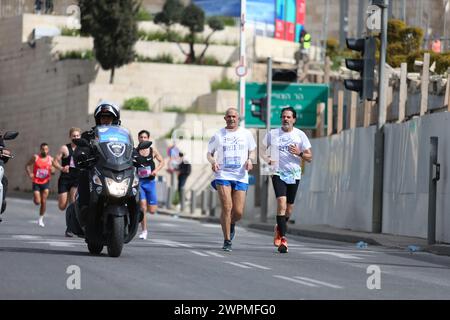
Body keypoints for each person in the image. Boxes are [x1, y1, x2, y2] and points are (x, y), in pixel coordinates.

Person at [261, 107, 312, 253]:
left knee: (289, 208)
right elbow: (262, 149)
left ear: (294, 119)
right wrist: (268, 159)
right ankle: (283, 238)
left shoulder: (300, 135)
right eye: (284, 116)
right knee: (281, 203)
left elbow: (310, 157)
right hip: (278, 173)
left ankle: (279, 226)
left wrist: (300, 153)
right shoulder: (273, 134)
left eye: (289, 117)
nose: (286, 119)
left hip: (294, 174)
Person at [207, 108, 256, 252]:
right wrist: (213, 162)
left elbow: (252, 150)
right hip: (223, 175)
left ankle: (231, 223)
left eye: (234, 116)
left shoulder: (246, 134)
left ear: (238, 118)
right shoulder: (218, 135)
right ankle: (227, 240)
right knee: (227, 207)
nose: (231, 119)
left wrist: (250, 160)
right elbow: (209, 153)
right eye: (229, 116)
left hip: (241, 176)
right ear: (225, 118)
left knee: (238, 212)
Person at [75, 101, 121, 211]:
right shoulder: (89, 134)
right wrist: (82, 156)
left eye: (109, 117)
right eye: (103, 117)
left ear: (114, 119)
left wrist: (136, 156)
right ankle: (84, 207)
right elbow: (80, 149)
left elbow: (129, 148)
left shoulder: (120, 135)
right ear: (98, 119)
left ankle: (135, 207)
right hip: (96, 169)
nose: (106, 120)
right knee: (83, 173)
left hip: (117, 169)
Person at [134, 130, 164, 240]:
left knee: (152, 210)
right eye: (141, 137)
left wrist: (156, 170)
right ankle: (144, 230)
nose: (143, 139)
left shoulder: (152, 150)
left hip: (150, 182)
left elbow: (162, 161)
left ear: (148, 138)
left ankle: (139, 212)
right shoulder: (134, 151)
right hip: (139, 182)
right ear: (138, 138)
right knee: (143, 207)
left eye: (145, 137)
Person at [53, 127, 81, 237]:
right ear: (70, 137)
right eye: (74, 136)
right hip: (65, 178)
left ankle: (69, 228)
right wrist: (61, 168)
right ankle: (70, 225)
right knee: (62, 206)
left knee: (73, 203)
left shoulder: (82, 149)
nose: (76, 138)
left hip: (76, 178)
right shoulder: (64, 148)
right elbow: (55, 162)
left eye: (78, 135)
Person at [25, 142, 55, 227]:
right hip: (36, 182)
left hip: (45, 182)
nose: (44, 151)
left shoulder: (50, 159)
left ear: (48, 150)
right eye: (43, 149)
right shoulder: (36, 157)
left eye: (46, 149)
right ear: (40, 149)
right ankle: (35, 198)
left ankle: (41, 219)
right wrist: (30, 174)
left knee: (43, 201)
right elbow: (27, 165)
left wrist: (53, 171)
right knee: (37, 202)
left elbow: (54, 170)